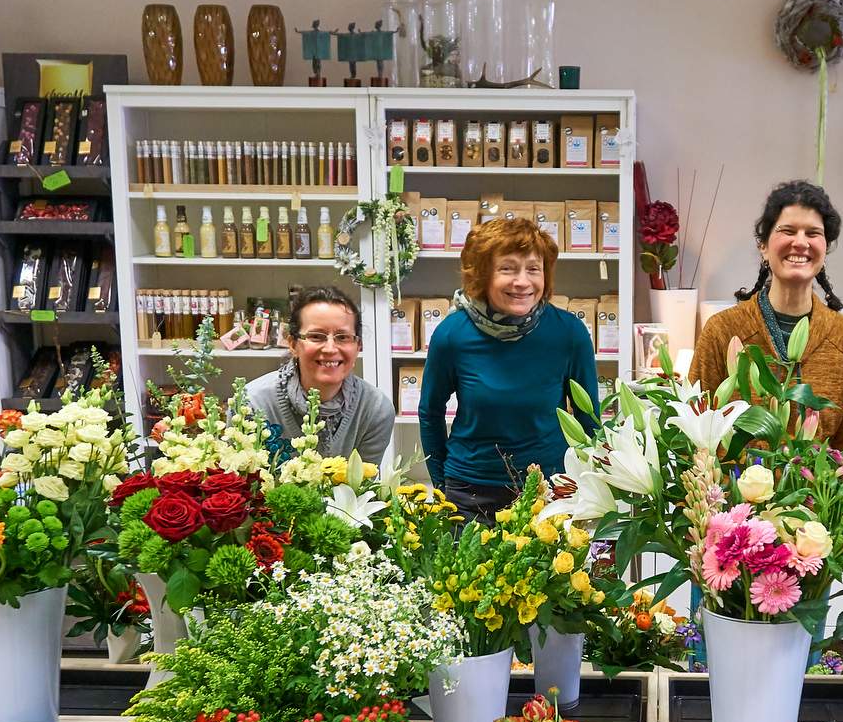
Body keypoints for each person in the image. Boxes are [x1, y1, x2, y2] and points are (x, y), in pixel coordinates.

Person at [421, 217, 599, 521]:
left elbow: (588, 420)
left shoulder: (569, 333)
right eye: (508, 268)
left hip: (549, 491)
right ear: (482, 275)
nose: (523, 281)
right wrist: (442, 486)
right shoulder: (453, 334)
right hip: (470, 493)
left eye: (533, 268)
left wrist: (583, 485)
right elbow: (430, 412)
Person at [689, 180, 843, 447]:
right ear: (763, 245)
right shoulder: (723, 331)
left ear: (825, 247)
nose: (800, 242)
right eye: (788, 230)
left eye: (813, 233)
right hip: (730, 488)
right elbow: (696, 429)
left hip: (819, 488)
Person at [247, 286, 395, 462]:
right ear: (293, 344)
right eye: (316, 336)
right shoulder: (253, 403)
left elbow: (363, 488)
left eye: (343, 337)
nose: (330, 349)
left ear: (358, 346)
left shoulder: (375, 410)